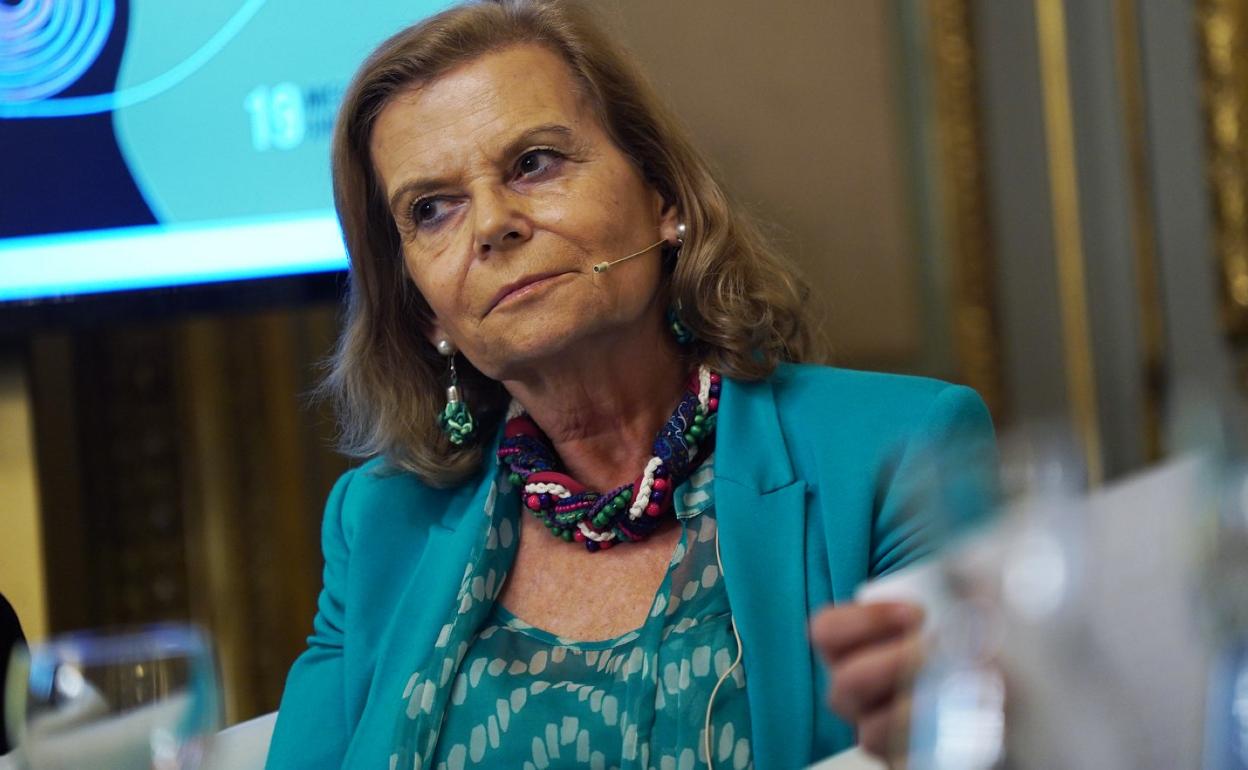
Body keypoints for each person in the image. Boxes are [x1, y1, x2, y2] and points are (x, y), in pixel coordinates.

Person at [266, 1, 996, 768]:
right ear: (423, 310)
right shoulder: (376, 523)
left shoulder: (899, 453)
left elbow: (974, 741)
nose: (491, 225)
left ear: (663, 199)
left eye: (534, 163)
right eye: (432, 209)